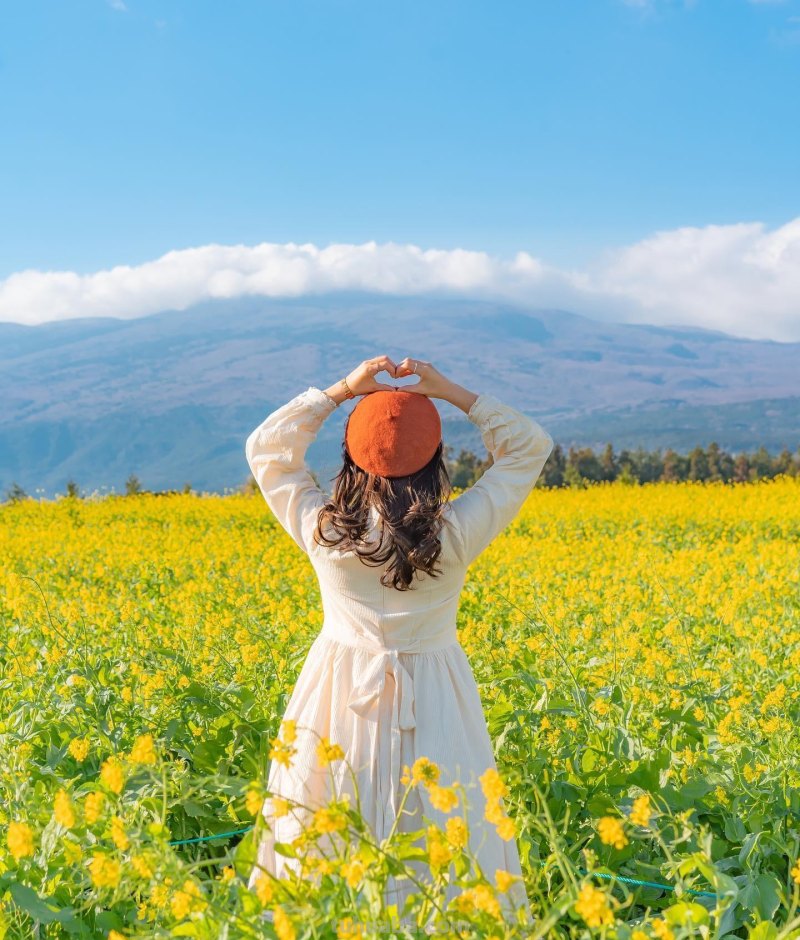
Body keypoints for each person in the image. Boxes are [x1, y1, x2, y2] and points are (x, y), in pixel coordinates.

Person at [244, 354, 554, 928]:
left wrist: (340, 391)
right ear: (436, 461)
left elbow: (267, 450)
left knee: (323, 828)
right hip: (437, 691)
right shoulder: (455, 535)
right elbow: (529, 447)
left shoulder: (326, 532)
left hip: (337, 692)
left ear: (350, 458)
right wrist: (451, 391)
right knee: (445, 829)